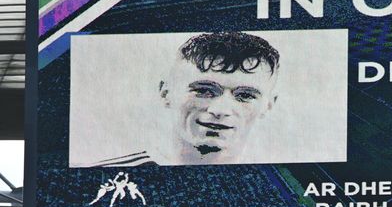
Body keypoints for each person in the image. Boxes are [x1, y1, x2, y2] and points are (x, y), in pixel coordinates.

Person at [87, 31, 280, 166]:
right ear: (166, 93)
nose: (220, 110)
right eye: (204, 90)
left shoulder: (282, 185)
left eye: (245, 95)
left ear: (268, 105)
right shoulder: (102, 176)